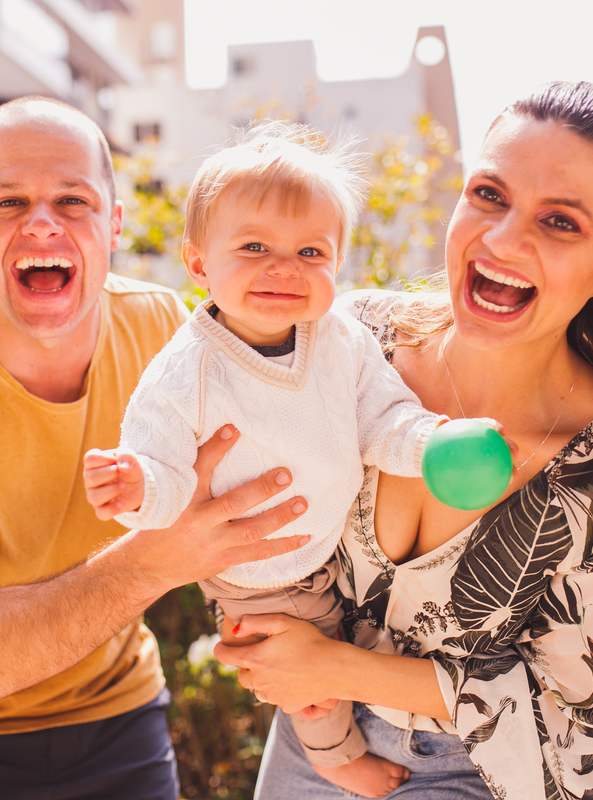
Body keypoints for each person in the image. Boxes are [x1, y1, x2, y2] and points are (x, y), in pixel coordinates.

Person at [215, 81, 593, 800]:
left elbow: (587, 722)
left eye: (560, 222)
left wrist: (333, 668)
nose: (503, 240)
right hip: (317, 740)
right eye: (489, 196)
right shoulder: (345, 342)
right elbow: (219, 423)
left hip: (495, 774)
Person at [0, 96, 313, 800]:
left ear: (113, 223)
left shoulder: (164, 331)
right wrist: (159, 559)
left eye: (72, 200)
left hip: (118, 712)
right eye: (7, 202)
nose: (41, 222)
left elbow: (258, 469)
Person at [82, 122, 448, 798]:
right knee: (301, 674)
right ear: (199, 266)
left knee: (354, 638)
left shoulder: (338, 338)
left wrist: (430, 444)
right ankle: (338, 761)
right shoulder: (187, 369)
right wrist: (136, 486)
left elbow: (382, 416)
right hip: (258, 569)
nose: (284, 268)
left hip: (334, 543)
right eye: (254, 247)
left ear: (337, 262)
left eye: (311, 251)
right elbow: (164, 469)